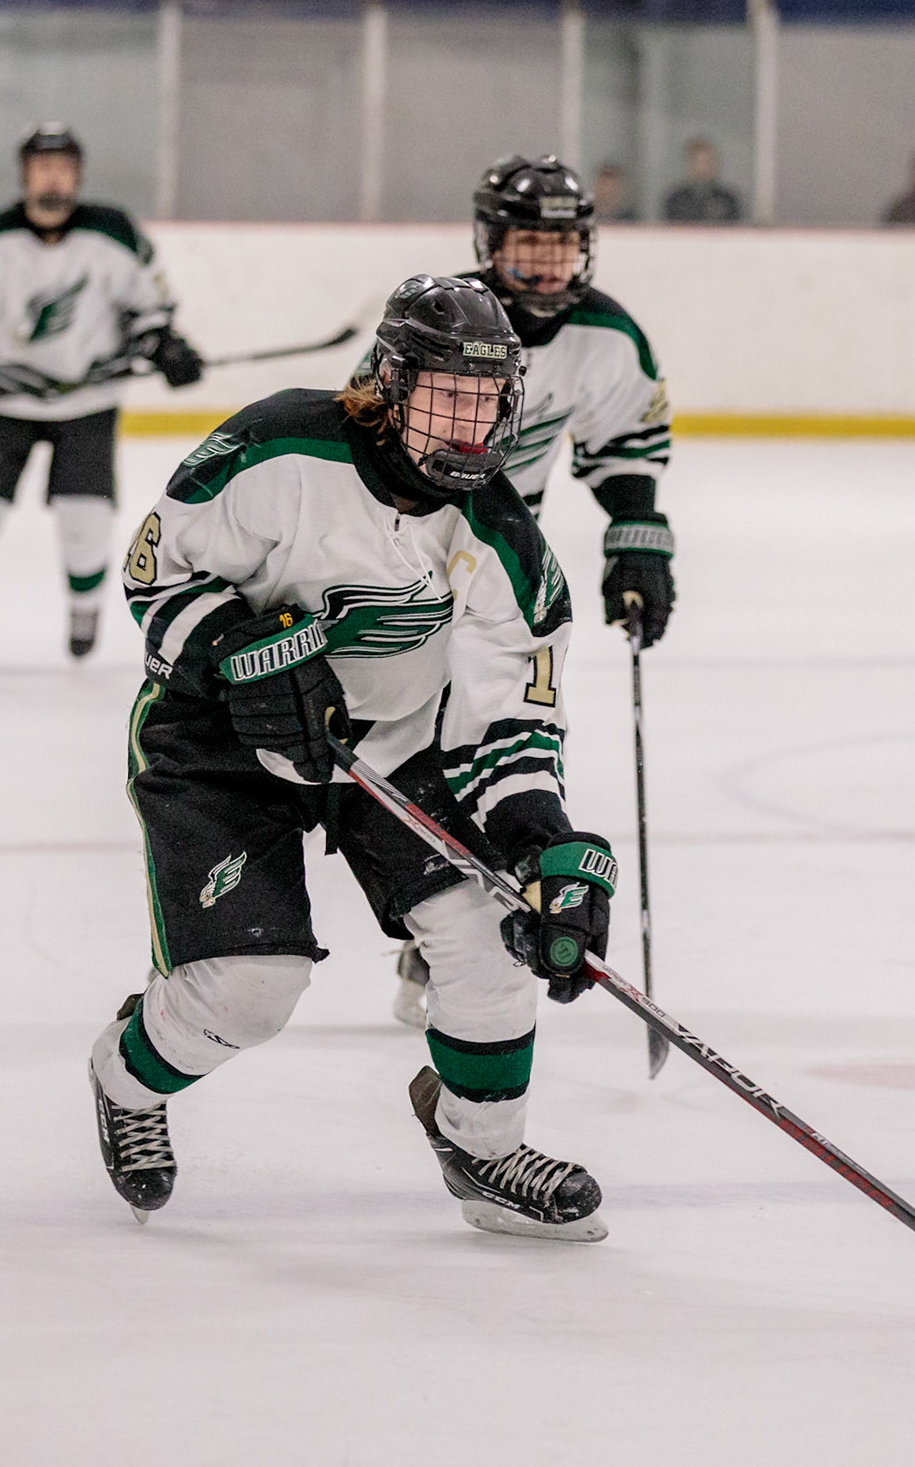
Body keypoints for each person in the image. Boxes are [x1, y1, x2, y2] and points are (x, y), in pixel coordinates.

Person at [87, 275, 616, 1242]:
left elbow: (511, 720)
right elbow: (155, 574)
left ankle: (483, 1148)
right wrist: (234, 654)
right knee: (250, 992)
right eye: (446, 396)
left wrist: (541, 845)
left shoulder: (504, 541)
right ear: (389, 384)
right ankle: (125, 1077)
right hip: (221, 741)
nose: (468, 426)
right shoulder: (279, 447)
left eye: (487, 401)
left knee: (491, 937)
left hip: (393, 750)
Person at [381, 153, 675, 1027]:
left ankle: (465, 911)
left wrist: (637, 535)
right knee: (419, 730)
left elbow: (624, 441)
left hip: (504, 559)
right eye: (528, 244)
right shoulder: (444, 324)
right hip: (410, 550)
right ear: (490, 242)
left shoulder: (609, 337)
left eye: (561, 245)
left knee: (510, 729)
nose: (547, 264)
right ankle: (432, 902)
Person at [0, 123, 206, 662]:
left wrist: (165, 345)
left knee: (85, 520)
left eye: (64, 169)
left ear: (78, 176)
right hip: (6, 403)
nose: (53, 179)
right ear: (24, 175)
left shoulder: (113, 233)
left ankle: (84, 613)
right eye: (43, 168)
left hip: (89, 403)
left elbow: (148, 305)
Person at [662, 137, 742, 223]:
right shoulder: (676, 200)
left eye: (707, 162)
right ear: (689, 164)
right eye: (698, 162)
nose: (702, 168)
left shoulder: (727, 199)